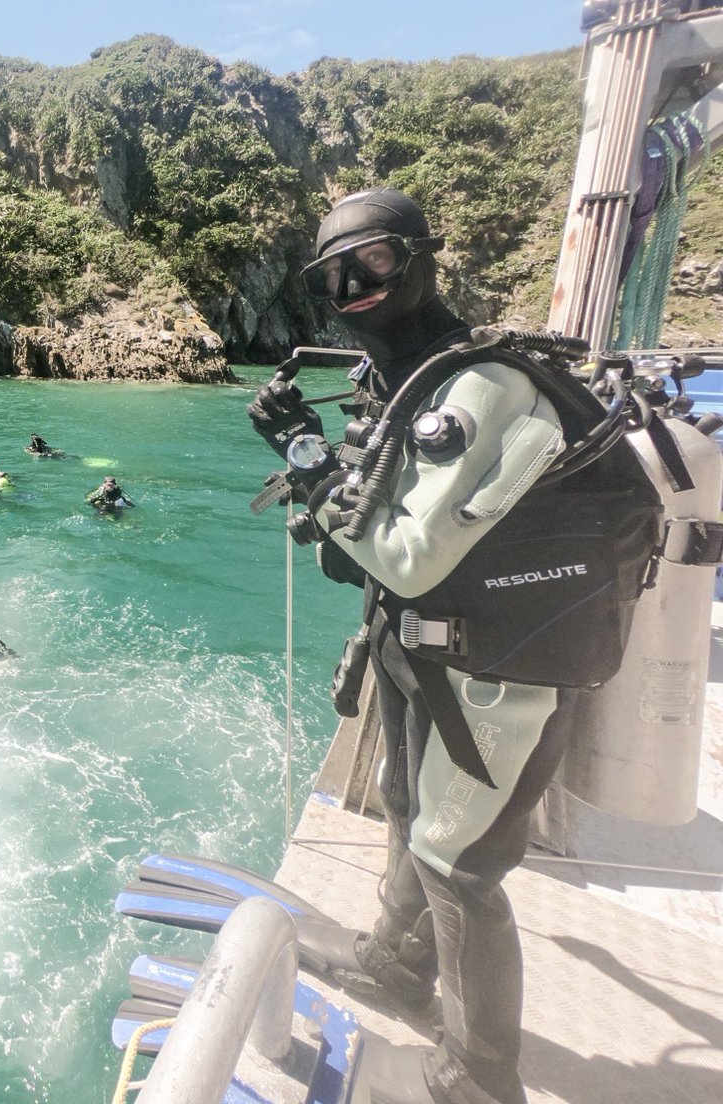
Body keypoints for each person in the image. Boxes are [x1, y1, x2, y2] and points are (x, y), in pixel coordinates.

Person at [247, 187, 660, 1104]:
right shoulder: (410, 378)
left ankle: (475, 1078)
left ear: (423, 258)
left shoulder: (482, 387)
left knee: (459, 864)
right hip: (424, 646)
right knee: (405, 805)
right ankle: (396, 968)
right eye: (331, 276)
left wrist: (306, 458)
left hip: (496, 672)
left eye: (375, 261)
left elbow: (408, 553)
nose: (354, 288)